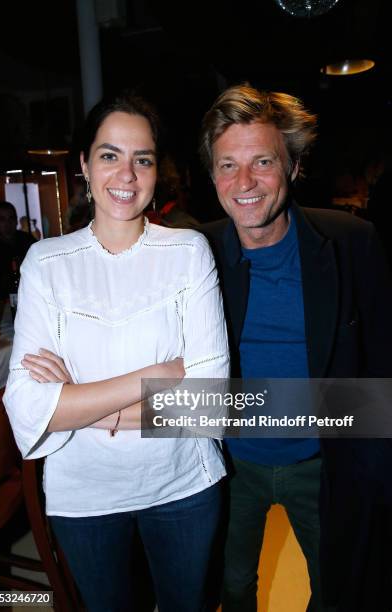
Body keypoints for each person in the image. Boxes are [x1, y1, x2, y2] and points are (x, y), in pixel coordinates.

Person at [4, 95, 229, 612]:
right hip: (83, 494)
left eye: (142, 159)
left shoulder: (189, 252)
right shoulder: (46, 261)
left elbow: (210, 404)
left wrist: (79, 405)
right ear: (83, 164)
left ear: (156, 171)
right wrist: (156, 375)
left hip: (183, 485)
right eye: (109, 155)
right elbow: (26, 409)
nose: (126, 174)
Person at [199, 84, 392, 611]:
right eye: (227, 165)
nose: (244, 183)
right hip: (231, 466)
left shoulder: (353, 243)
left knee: (337, 592)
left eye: (262, 161)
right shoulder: (195, 251)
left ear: (293, 166)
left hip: (324, 463)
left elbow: (380, 378)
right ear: (212, 173)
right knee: (232, 587)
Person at [0, 201, 35, 300]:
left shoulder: (26, 239)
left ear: (16, 220)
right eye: (2, 219)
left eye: (11, 218)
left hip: (28, 296)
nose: (8, 223)